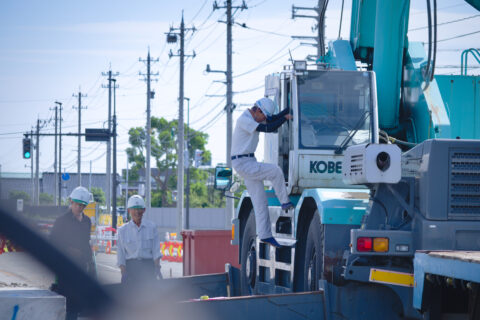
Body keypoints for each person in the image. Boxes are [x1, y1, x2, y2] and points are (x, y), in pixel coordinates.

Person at [231, 97, 293, 248]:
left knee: (260, 202)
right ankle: (284, 202)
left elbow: (272, 120)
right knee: (275, 171)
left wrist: (288, 109)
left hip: (248, 161)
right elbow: (269, 128)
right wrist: (285, 117)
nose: (264, 119)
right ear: (258, 110)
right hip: (243, 163)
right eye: (263, 116)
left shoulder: (255, 116)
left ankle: (265, 235)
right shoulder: (244, 120)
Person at [50, 186, 94, 320]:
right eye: (77, 204)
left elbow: (87, 242)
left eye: (82, 206)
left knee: (76, 302)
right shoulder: (61, 221)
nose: (79, 208)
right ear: (71, 202)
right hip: (65, 267)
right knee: (66, 301)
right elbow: (53, 241)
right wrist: (69, 250)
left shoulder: (87, 221)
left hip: (81, 266)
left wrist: (90, 262)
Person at [117, 195, 162, 285]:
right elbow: (121, 255)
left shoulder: (152, 227)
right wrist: (123, 273)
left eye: (139, 209)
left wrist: (157, 268)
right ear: (129, 210)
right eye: (134, 209)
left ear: (144, 210)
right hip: (131, 270)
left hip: (148, 268)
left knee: (150, 297)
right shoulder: (122, 230)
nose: (137, 212)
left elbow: (156, 251)